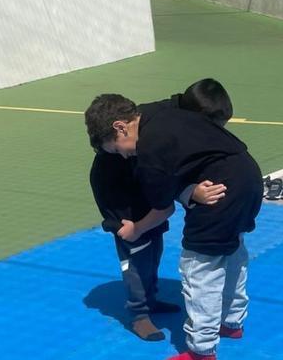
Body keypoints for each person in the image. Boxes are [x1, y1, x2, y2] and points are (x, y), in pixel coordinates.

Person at [85, 86, 262, 360]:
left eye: (116, 148)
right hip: (249, 177)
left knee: (199, 269)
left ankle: (201, 351)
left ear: (121, 128)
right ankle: (232, 323)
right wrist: (191, 190)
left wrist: (137, 228)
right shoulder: (159, 114)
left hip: (220, 192)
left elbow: (163, 207)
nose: (121, 156)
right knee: (234, 251)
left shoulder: (149, 150)